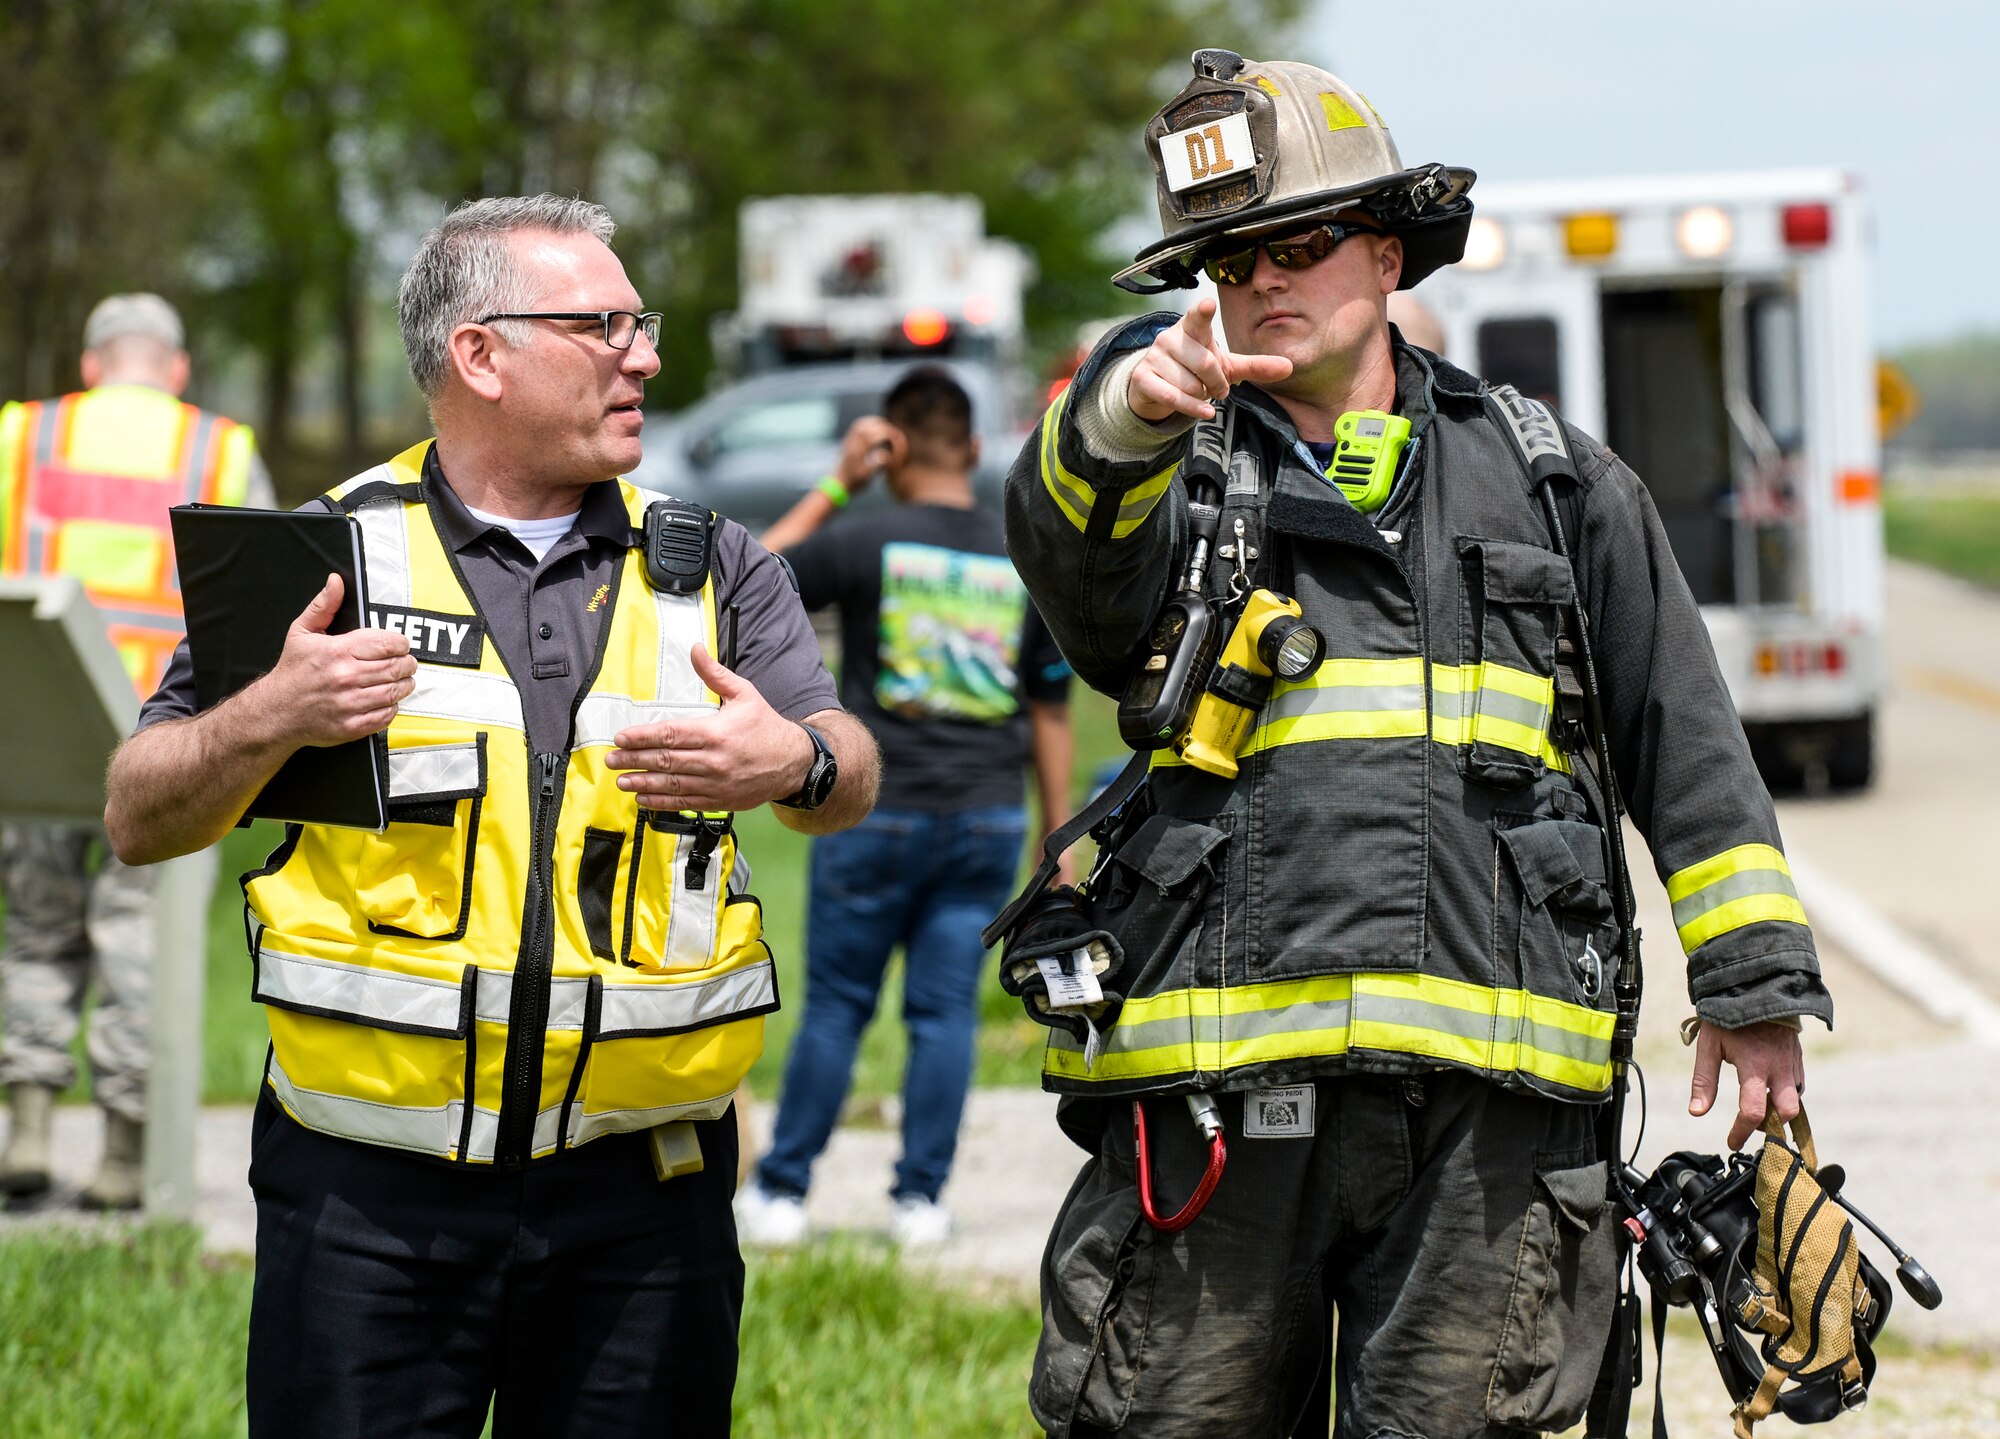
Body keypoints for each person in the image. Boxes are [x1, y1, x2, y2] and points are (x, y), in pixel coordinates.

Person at [1000, 51, 1830, 1439]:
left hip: (1489, 1124)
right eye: (1230, 255)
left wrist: (1751, 981)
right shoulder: (1163, 462)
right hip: (1217, 1100)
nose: (1263, 279)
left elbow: (1684, 738)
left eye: (1302, 241)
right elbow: (1074, 576)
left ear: (1388, 255)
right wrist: (1126, 417)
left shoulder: (1557, 481)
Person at [102, 195, 879, 1437]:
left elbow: (847, 769)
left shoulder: (717, 564)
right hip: (366, 1209)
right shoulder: (321, 556)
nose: (646, 356)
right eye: (604, 325)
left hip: (646, 1203)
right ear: (480, 354)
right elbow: (139, 815)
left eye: (644, 323)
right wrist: (270, 713)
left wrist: (792, 760)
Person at [737, 366, 1075, 1247]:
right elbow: (1048, 706)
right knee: (944, 1013)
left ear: (889, 448)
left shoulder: (865, 535)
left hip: (871, 815)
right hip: (988, 817)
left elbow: (745, 585)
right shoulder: (1022, 552)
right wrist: (1058, 840)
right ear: (970, 447)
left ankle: (781, 1195)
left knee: (837, 1005)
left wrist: (838, 483)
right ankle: (919, 1201)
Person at [0, 292, 267, 1209]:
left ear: (89, 365)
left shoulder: (21, 437)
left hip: (36, 729)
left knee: (33, 928)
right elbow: (264, 599)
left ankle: (28, 1133)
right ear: (178, 369)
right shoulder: (218, 450)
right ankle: (122, 1155)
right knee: (136, 935)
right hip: (161, 745)